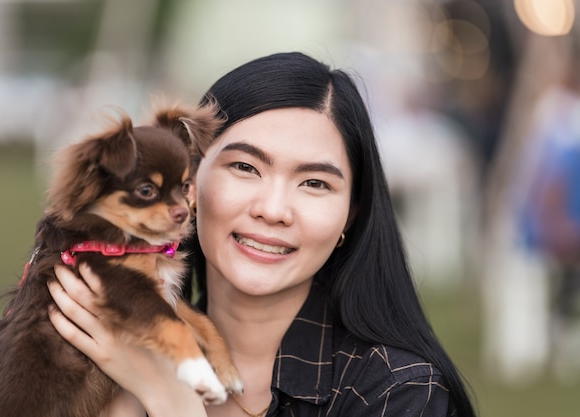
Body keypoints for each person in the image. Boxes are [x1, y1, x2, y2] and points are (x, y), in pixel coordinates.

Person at [47, 52, 476, 416]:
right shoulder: (81, 352)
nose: (273, 211)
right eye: (245, 168)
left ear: (350, 215)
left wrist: (170, 397)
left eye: (314, 183)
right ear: (189, 184)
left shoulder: (398, 393)